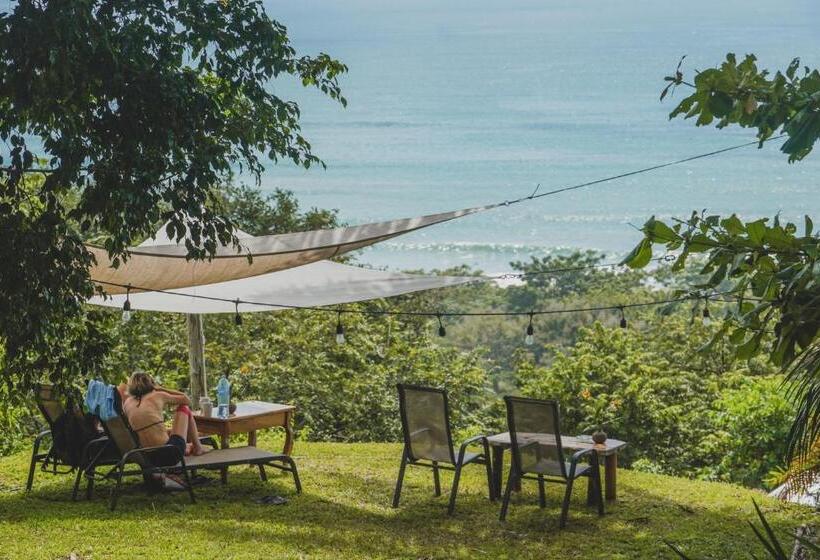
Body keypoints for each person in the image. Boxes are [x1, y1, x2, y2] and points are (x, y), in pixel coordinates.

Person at [122, 372, 207, 469]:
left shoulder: (127, 403)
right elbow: (186, 399)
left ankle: (189, 447)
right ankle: (197, 447)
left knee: (167, 431)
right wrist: (161, 389)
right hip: (170, 454)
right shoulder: (157, 395)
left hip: (149, 458)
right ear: (151, 383)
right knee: (184, 408)